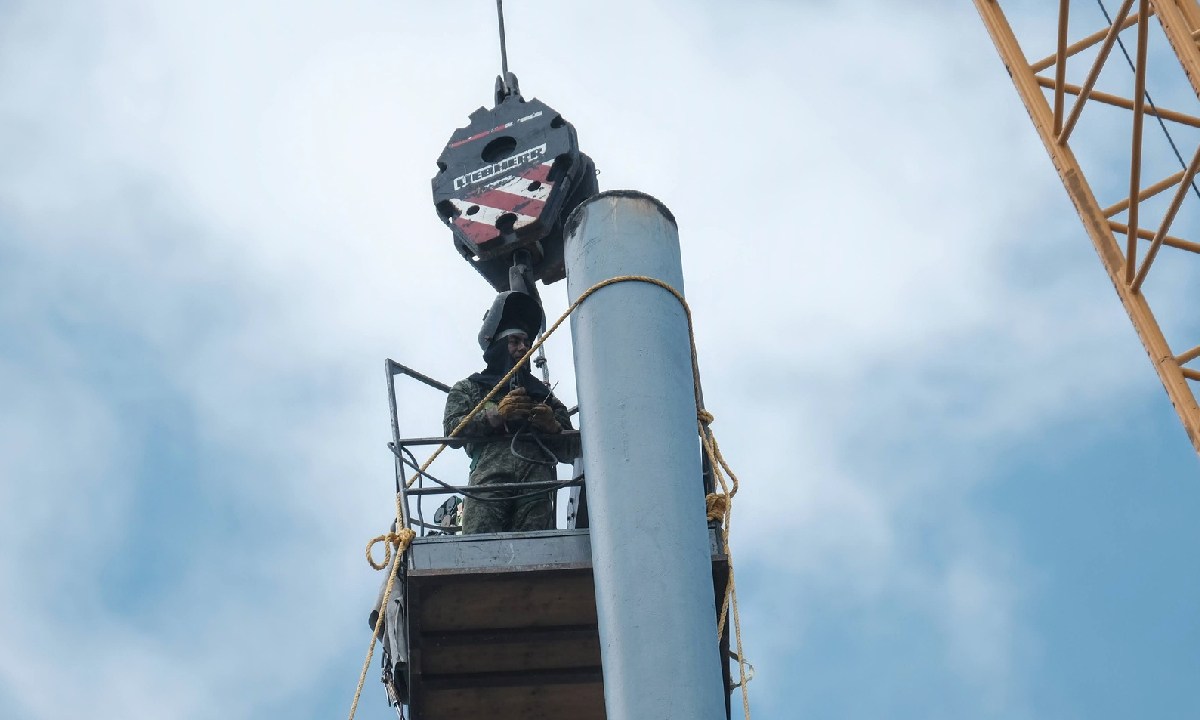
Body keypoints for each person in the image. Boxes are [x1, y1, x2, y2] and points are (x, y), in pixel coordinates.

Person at [443, 296, 579, 534]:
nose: (523, 348)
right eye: (515, 341)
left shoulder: (543, 395)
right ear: (497, 346)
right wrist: (496, 415)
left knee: (536, 553)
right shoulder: (469, 388)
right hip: (489, 484)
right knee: (480, 550)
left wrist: (552, 426)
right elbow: (452, 432)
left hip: (536, 484)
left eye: (526, 342)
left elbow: (572, 450)